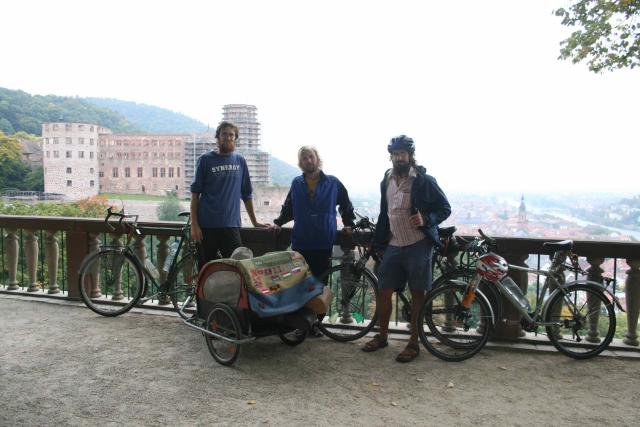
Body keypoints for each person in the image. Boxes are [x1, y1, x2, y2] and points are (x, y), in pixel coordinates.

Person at [362, 135, 451, 362]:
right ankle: (382, 336)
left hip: (418, 244)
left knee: (418, 293)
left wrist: (427, 218)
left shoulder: (423, 180)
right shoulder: (387, 181)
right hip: (394, 243)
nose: (399, 157)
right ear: (391, 156)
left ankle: (414, 343)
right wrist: (378, 241)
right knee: (384, 290)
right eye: (395, 154)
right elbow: (385, 213)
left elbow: (444, 208)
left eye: (403, 153)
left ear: (410, 155)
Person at [272, 146, 356, 335]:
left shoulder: (333, 183)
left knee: (320, 285)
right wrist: (278, 222)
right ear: (300, 162)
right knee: (300, 285)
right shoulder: (296, 183)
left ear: (317, 159)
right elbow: (289, 208)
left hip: (323, 242)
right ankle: (301, 325)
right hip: (301, 241)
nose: (308, 160)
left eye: (311, 157)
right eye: (304, 158)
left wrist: (349, 223)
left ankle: (316, 325)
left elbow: (346, 204)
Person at [190, 121, 267, 269]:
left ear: (235, 138)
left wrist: (255, 221)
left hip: (231, 225)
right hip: (207, 226)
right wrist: (194, 225)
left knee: (236, 270)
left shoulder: (240, 161)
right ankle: (203, 294)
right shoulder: (205, 160)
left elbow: (247, 194)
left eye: (231, 135)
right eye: (224, 134)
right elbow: (195, 195)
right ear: (217, 137)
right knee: (206, 270)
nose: (228, 137)